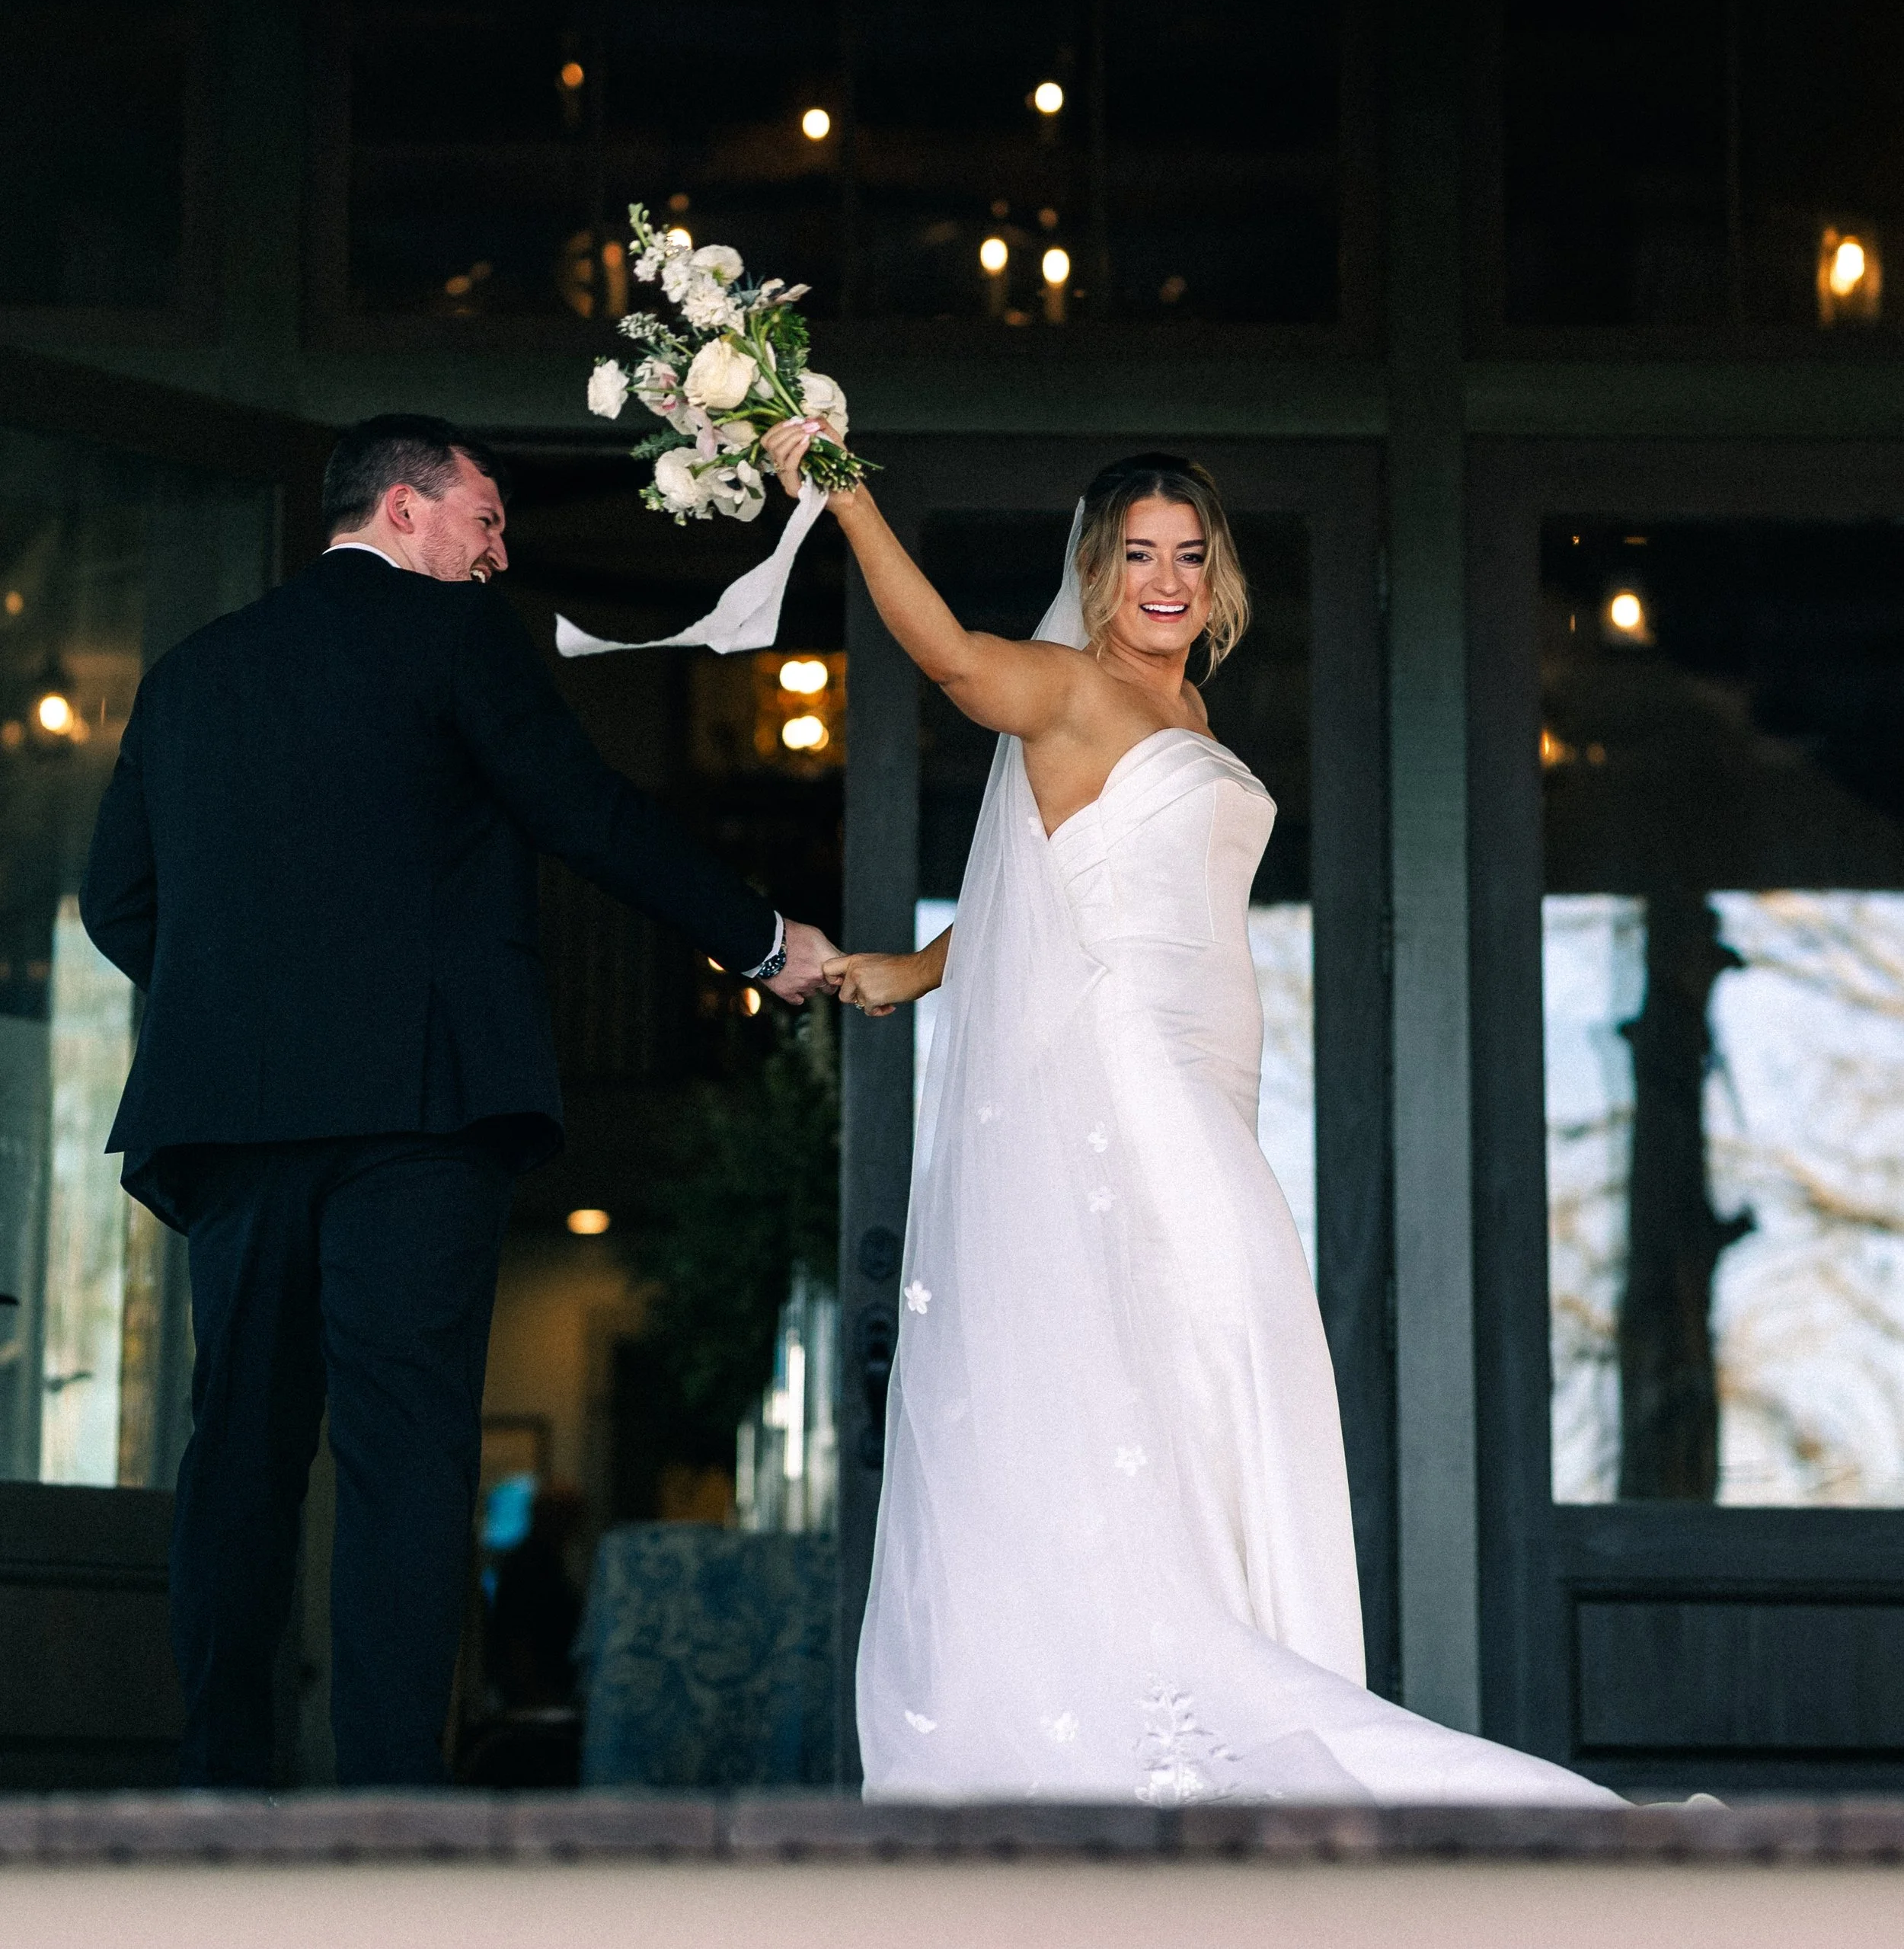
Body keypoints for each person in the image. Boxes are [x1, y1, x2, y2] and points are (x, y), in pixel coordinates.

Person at [764, 424, 1618, 1805]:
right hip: (1126, 1074)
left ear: (1214, 575)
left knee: (1208, 1361)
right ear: (1096, 571)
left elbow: (1054, 895)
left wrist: (915, 969)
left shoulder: (1193, 716)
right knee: (1204, 1329)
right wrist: (850, 498)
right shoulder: (1069, 688)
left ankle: (1209, 1661)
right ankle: (1174, 1699)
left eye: (1188, 553)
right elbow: (946, 656)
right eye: (1138, 554)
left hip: (1211, 1074)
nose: (1164, 579)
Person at [81, 413, 836, 1789]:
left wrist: (242, 1003)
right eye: (485, 521)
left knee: (237, 1452)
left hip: (233, 1122)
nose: (497, 556)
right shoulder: (454, 642)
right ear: (407, 507)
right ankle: (382, 1807)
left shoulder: (190, 675)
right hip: (417, 1119)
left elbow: (116, 902)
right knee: (403, 1459)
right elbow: (584, 813)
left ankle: (219, 1789)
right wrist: (765, 940)